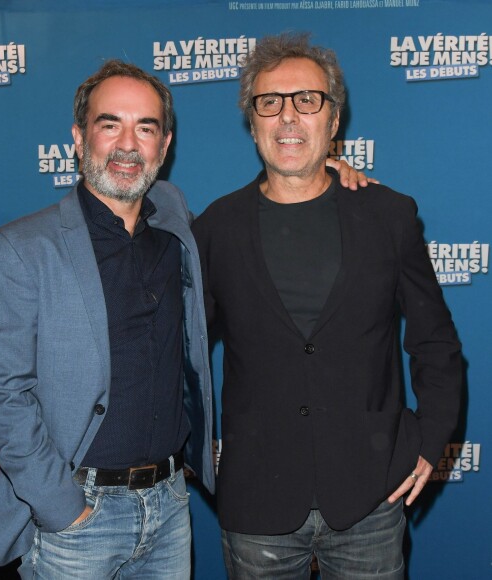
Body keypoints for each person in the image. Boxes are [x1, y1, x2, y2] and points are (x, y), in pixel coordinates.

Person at [192, 33, 462, 579]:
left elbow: (436, 344)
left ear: (333, 121)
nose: (288, 118)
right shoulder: (214, 228)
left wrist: (429, 444)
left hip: (370, 498)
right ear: (253, 121)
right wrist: (197, 453)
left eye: (306, 100)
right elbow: (179, 353)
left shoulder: (389, 216)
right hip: (256, 502)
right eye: (270, 102)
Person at [0, 60, 215, 579]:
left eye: (145, 127)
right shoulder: (22, 248)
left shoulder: (177, 226)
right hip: (78, 517)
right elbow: (1, 391)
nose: (128, 144)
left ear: (164, 145)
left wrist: (331, 173)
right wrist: (63, 508)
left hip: (171, 508)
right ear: (79, 138)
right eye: (110, 124)